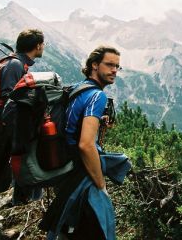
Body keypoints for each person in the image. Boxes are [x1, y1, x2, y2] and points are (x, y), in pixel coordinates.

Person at [41, 45, 128, 239]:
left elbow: (73, 122)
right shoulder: (97, 95)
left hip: (66, 166)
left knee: (69, 226)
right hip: (82, 171)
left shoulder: (78, 88)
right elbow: (86, 144)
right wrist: (100, 184)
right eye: (109, 65)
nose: (114, 70)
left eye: (117, 66)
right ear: (95, 65)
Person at [0, 29, 45, 240]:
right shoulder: (15, 65)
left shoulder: (15, 63)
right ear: (38, 46)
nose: (43, 48)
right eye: (43, 44)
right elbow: (10, 100)